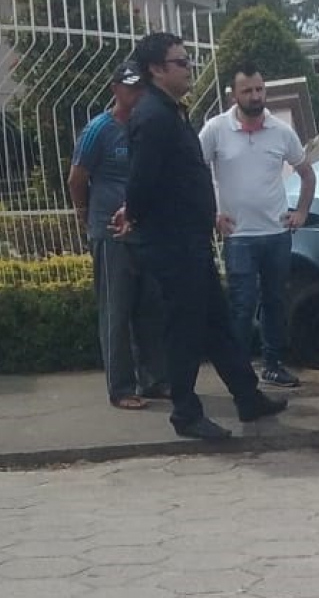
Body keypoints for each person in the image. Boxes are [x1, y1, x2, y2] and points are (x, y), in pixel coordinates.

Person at [116, 32, 287, 441]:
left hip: (189, 238)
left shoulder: (170, 111)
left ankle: (247, 397)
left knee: (216, 322)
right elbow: (142, 180)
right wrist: (134, 214)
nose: (189, 68)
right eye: (182, 62)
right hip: (173, 243)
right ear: (157, 69)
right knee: (184, 329)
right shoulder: (154, 117)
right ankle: (185, 414)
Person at [199, 62, 316, 387]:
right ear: (234, 94)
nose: (255, 96)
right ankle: (239, 372)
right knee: (242, 304)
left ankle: (273, 364)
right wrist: (212, 213)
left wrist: (302, 212)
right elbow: (193, 171)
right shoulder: (215, 130)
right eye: (247, 90)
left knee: (275, 301)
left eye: (259, 89)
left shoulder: (280, 131)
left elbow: (306, 172)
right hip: (239, 236)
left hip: (277, 234)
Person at [68, 61, 168, 410]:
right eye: (129, 87)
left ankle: (155, 379)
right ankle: (122, 387)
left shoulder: (146, 127)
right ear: (115, 90)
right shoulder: (99, 129)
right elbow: (77, 179)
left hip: (146, 232)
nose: (136, 93)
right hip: (111, 234)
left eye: (141, 87)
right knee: (117, 311)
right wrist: (87, 218)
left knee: (151, 309)